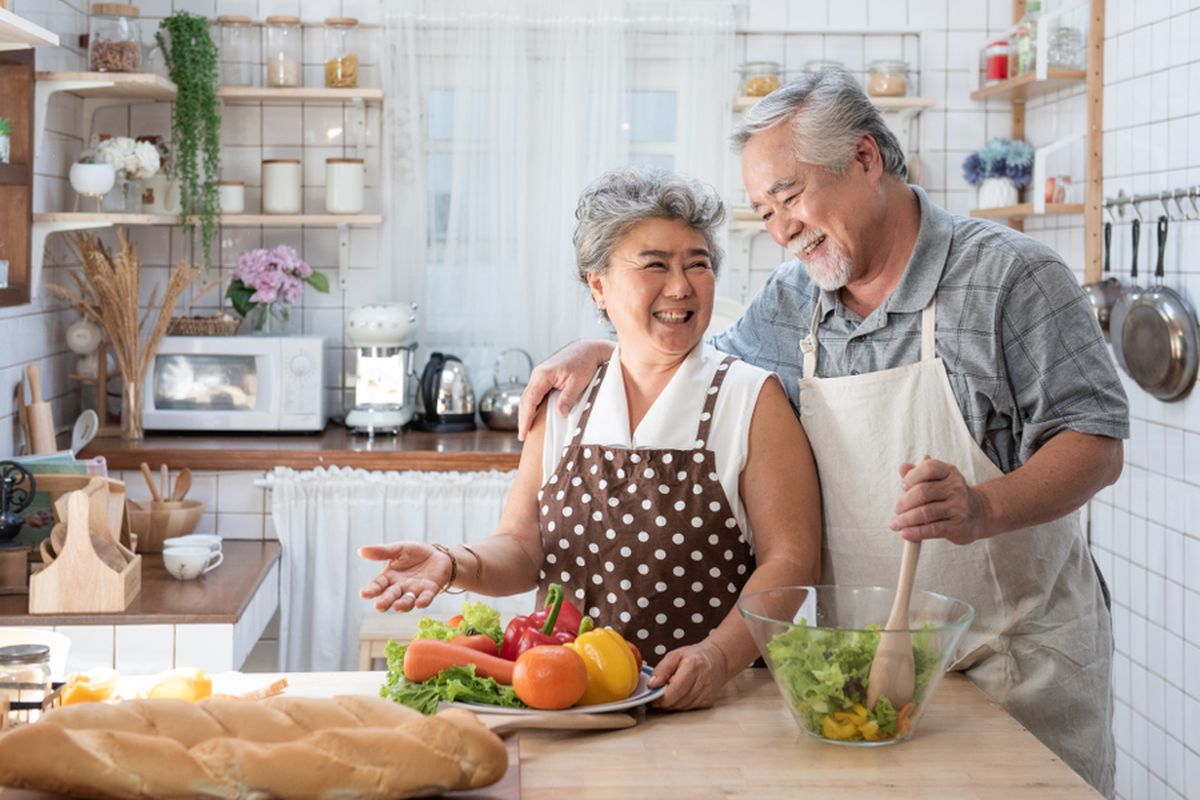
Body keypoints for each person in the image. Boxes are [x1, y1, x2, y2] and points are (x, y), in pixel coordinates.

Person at [516, 70, 1125, 796]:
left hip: (1012, 665)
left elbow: (1096, 440)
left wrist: (982, 508)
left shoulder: (1012, 277)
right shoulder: (793, 297)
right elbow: (690, 358)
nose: (781, 230)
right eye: (764, 212)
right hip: (860, 675)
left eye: (791, 197)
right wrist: (603, 348)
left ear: (866, 160)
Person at [360, 168, 822, 710]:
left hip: (716, 703)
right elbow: (521, 547)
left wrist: (716, 657)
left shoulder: (749, 397)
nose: (681, 286)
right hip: (571, 702)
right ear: (598, 286)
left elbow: (791, 562)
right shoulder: (566, 401)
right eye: (655, 265)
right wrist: (452, 560)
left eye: (698, 263)